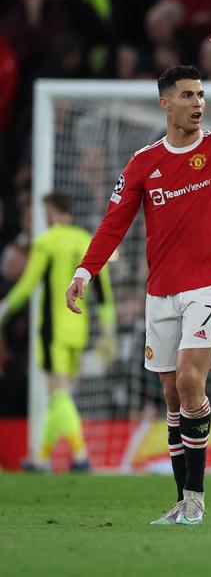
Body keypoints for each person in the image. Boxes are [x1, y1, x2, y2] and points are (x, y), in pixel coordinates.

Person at [66, 33, 211, 526]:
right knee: (171, 396)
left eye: (202, 95)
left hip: (210, 283)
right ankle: (183, 499)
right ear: (165, 103)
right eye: (188, 95)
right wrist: (85, 270)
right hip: (160, 291)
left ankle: (197, 500)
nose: (198, 104)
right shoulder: (143, 163)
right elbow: (115, 221)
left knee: (190, 380)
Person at [0, 193, 116, 472]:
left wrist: (3, 310)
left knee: (59, 393)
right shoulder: (85, 239)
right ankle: (40, 458)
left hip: (53, 331)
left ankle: (80, 456)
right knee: (59, 396)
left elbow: (27, 286)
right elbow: (103, 291)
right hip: (80, 330)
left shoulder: (47, 242)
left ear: (50, 211)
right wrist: (108, 331)